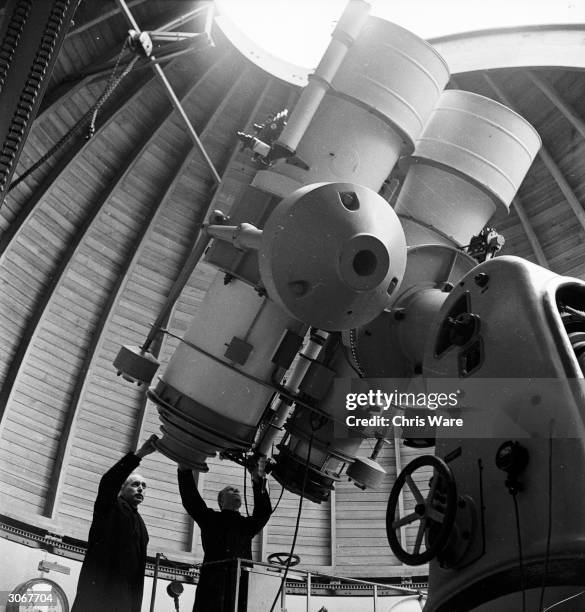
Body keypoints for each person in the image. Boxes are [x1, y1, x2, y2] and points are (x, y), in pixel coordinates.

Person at [71, 435, 159, 612]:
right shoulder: (111, 506)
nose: (141, 488)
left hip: (125, 599)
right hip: (100, 594)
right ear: (121, 489)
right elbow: (108, 482)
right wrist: (139, 455)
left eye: (144, 485)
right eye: (135, 484)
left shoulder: (141, 525)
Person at [178, 457, 272, 612]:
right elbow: (191, 501)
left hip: (241, 586)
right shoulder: (210, 519)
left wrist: (257, 479)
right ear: (221, 501)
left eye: (236, 491)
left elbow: (263, 513)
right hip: (213, 587)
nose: (236, 491)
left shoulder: (246, 525)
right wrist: (184, 471)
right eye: (230, 490)